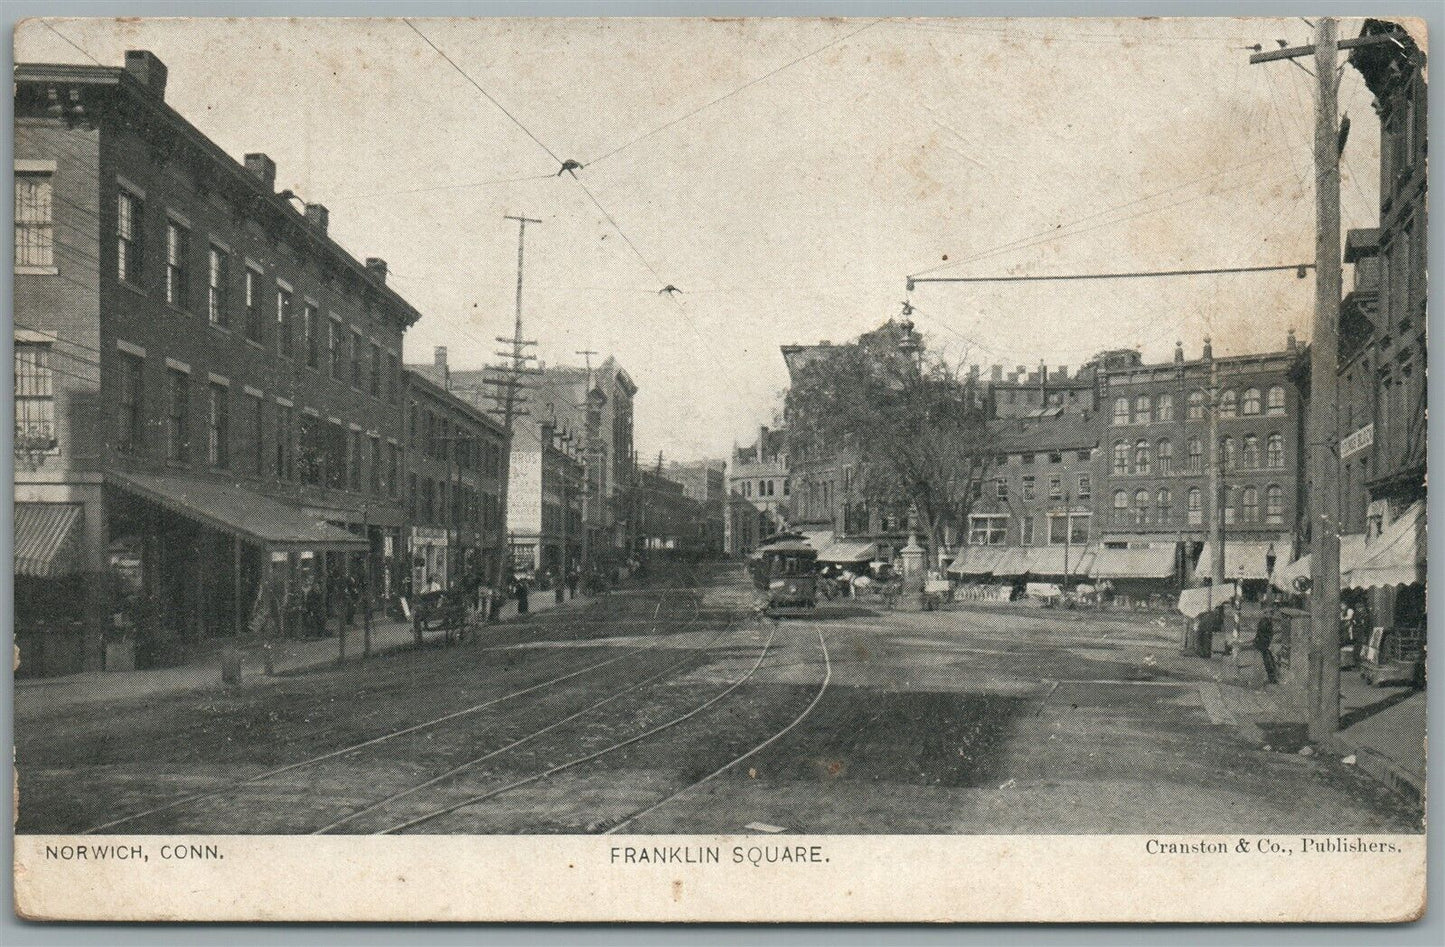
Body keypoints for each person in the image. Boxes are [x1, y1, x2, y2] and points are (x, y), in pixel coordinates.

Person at [1254, 608, 1279, 684]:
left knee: (1270, 660)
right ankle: (1272, 678)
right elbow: (1263, 634)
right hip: (1262, 644)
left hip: (1264, 644)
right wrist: (1268, 644)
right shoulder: (1265, 622)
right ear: (1266, 614)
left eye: (1272, 614)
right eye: (1270, 613)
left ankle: (1273, 677)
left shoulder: (1267, 621)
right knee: (1268, 660)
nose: (1271, 615)